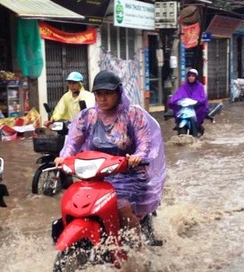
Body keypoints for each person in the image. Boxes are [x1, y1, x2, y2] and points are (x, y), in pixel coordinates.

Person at [54, 70, 166, 238]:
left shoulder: (133, 114)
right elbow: (73, 142)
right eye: (99, 94)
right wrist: (64, 156)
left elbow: (144, 142)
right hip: (98, 175)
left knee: (122, 207)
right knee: (76, 202)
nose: (103, 98)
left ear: (118, 93)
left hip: (129, 174)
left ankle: (137, 252)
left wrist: (138, 156)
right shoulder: (87, 116)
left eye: (108, 94)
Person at [168, 68, 209, 133]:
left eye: (193, 76)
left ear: (196, 77)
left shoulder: (200, 86)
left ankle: (197, 126)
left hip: (196, 107)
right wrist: (174, 101)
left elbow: (202, 97)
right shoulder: (184, 86)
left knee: (201, 111)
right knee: (177, 112)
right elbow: (178, 94)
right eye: (189, 76)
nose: (191, 77)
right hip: (185, 107)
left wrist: (198, 102)